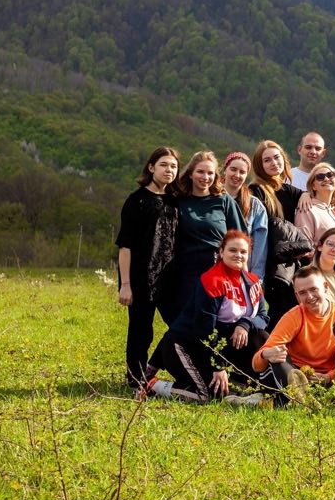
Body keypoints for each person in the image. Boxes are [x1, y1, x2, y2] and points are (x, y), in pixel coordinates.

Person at [140, 231, 289, 405]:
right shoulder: (212, 280)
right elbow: (204, 330)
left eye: (243, 252)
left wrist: (244, 324)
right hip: (186, 345)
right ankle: (154, 386)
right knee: (207, 396)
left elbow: (263, 317)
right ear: (221, 252)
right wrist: (218, 366)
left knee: (260, 336)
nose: (238, 255)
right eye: (232, 250)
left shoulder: (253, 281)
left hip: (217, 346)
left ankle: (272, 385)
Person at [116, 146, 180, 388]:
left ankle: (155, 366)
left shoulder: (176, 201)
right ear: (151, 167)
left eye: (173, 166)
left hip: (170, 279)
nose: (169, 170)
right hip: (140, 278)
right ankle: (135, 378)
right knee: (141, 331)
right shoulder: (137, 200)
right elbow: (125, 246)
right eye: (164, 165)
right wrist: (125, 285)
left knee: (180, 325)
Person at [171, 150, 245, 313]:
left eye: (210, 173)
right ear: (190, 174)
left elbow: (241, 240)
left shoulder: (224, 200)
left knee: (220, 320)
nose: (205, 177)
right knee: (189, 321)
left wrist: (243, 276)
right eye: (200, 172)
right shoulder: (178, 201)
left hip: (220, 272)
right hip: (187, 274)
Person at [249, 140, 310, 323]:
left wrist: (307, 194)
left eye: (277, 158)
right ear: (260, 165)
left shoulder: (288, 189)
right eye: (267, 160)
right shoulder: (256, 191)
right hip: (272, 266)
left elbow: (310, 196)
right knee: (281, 315)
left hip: (292, 263)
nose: (274, 163)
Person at [258, 266, 335, 383]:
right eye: (302, 293)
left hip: (333, 377)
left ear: (325, 287)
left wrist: (329, 377)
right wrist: (265, 354)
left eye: (313, 289)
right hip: (298, 376)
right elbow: (257, 364)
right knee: (277, 360)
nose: (310, 296)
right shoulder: (293, 317)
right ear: (297, 296)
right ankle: (300, 392)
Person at [222, 151, 268, 280]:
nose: (237, 175)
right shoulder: (211, 199)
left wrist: (255, 279)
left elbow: (260, 248)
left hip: (241, 275)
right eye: (233, 169)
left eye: (242, 172)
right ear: (225, 170)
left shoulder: (255, 206)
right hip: (212, 273)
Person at [294, 161, 335, 248]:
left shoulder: (334, 212)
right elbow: (304, 248)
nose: (326, 179)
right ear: (313, 186)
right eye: (320, 177)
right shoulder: (306, 209)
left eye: (330, 175)